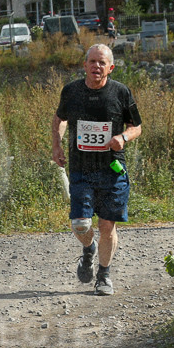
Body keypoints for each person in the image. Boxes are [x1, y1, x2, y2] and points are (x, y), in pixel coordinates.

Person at [51, 44, 142, 296]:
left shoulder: (121, 92)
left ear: (110, 68)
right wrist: (56, 146)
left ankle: (103, 275)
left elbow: (137, 126)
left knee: (107, 225)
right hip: (81, 167)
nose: (96, 66)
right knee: (80, 224)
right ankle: (88, 248)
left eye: (102, 63)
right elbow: (60, 119)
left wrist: (123, 137)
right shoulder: (71, 92)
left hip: (112, 169)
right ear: (85, 65)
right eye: (92, 62)